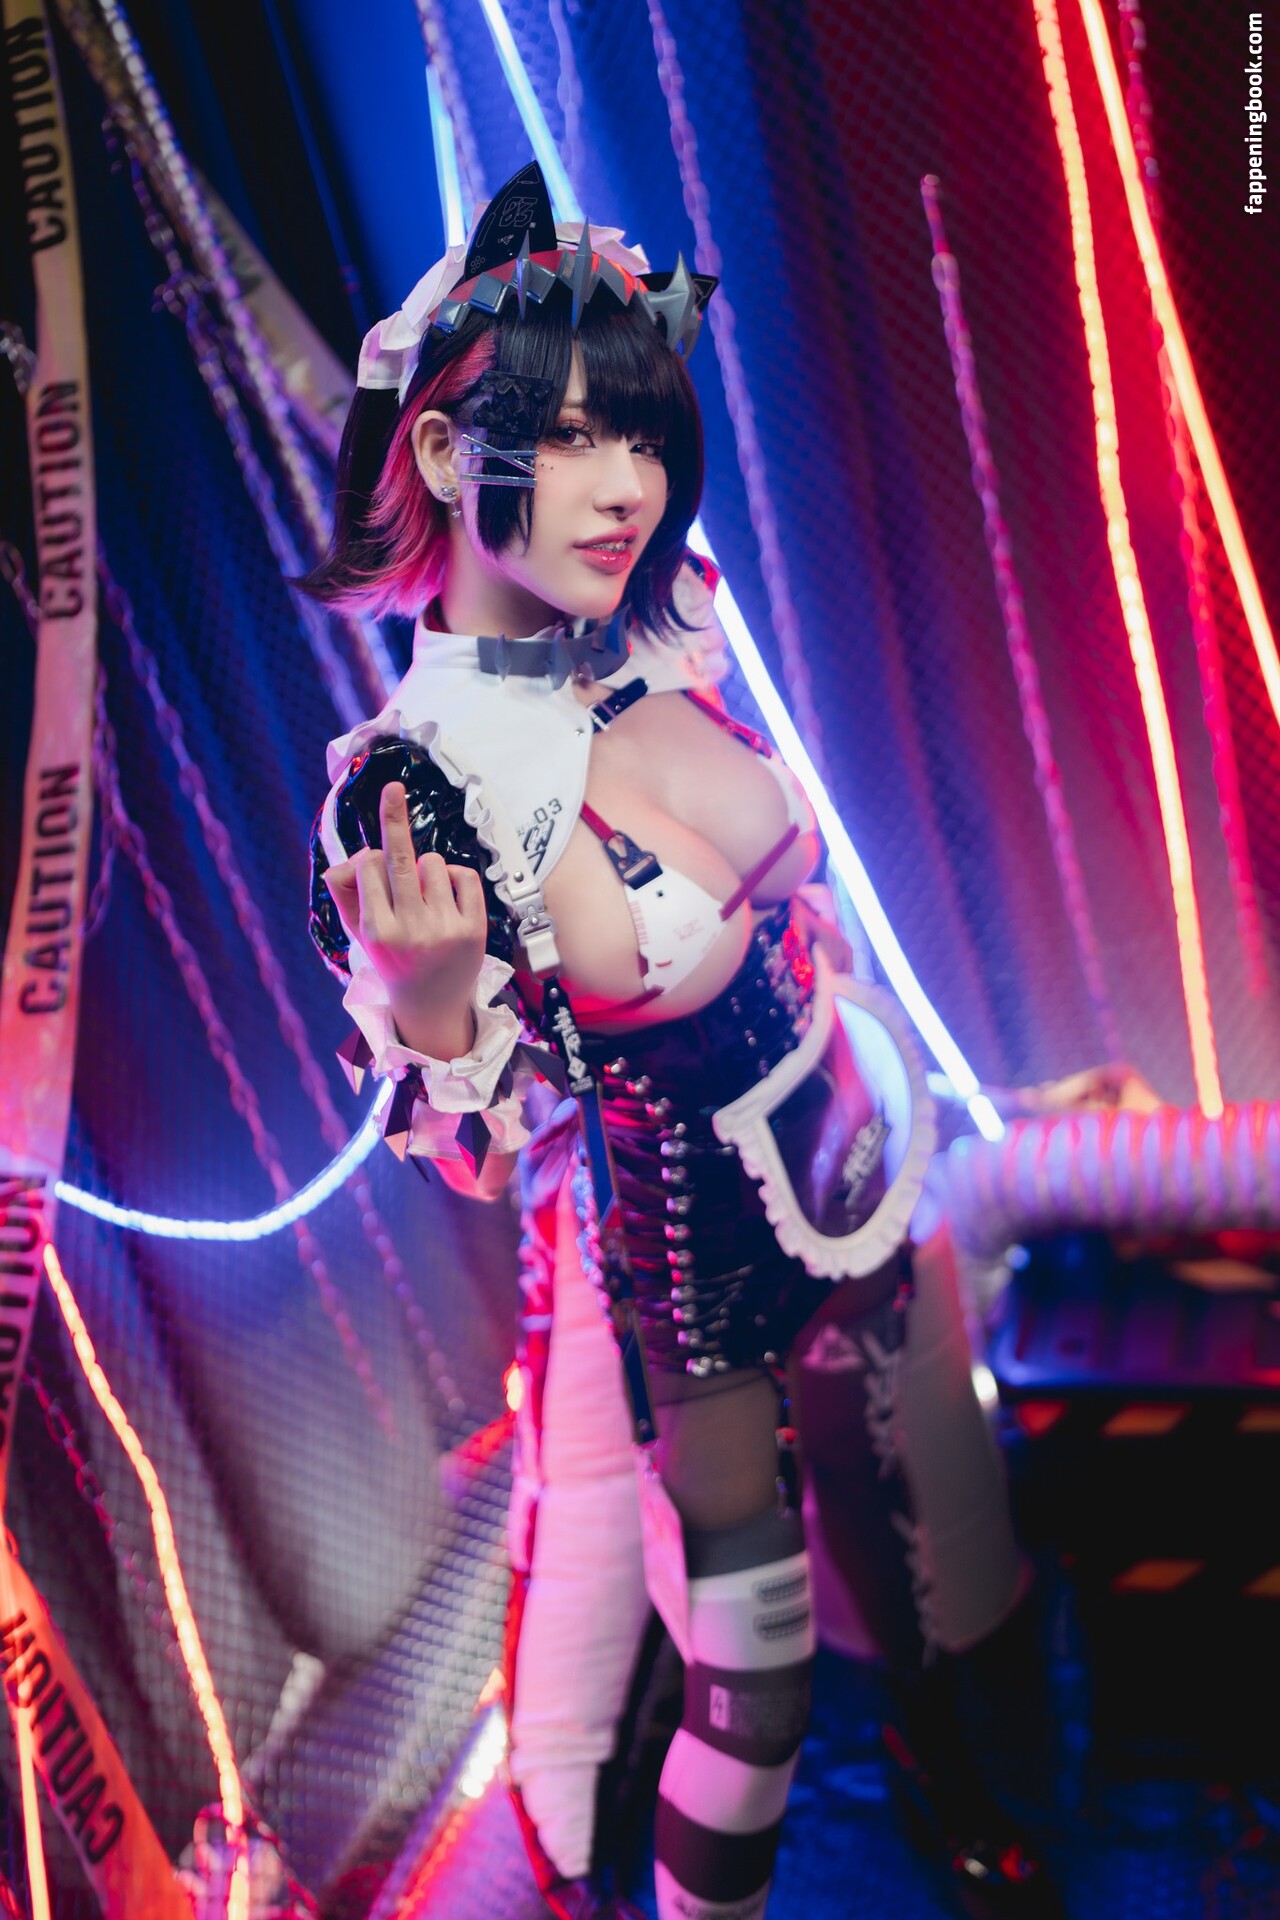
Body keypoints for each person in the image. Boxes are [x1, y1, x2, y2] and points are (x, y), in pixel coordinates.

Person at [305, 162, 1056, 1920]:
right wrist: (432, 1003)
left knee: (925, 1520)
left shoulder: (649, 615)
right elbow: (470, 1146)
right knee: (749, 1676)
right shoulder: (413, 787)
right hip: (678, 1227)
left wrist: (828, 973)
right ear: (444, 455)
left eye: (638, 432)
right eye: (569, 437)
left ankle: (975, 1796)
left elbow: (775, 866)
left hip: (842, 1114)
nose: (626, 482)